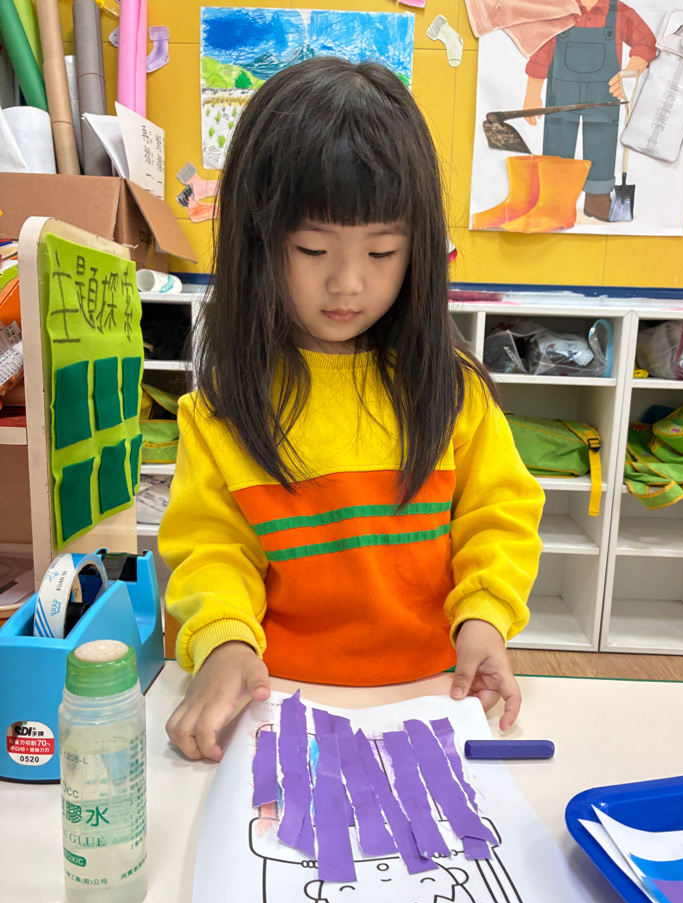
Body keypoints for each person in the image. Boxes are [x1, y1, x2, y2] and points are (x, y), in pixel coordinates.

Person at [159, 57, 544, 761]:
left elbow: (499, 515)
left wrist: (485, 618)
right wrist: (223, 642)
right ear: (257, 240)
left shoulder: (450, 389)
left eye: (382, 250)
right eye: (312, 248)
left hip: (434, 697)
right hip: (280, 702)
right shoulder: (221, 411)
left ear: (418, 249)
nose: (347, 282)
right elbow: (212, 550)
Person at [521, 0, 655, 222]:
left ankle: (597, 199)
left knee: (602, 141)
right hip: (561, 93)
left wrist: (631, 71)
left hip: (604, 93)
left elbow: (647, 41)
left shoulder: (620, 13)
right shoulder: (558, 10)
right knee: (558, 141)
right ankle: (555, 200)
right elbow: (541, 50)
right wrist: (532, 93)